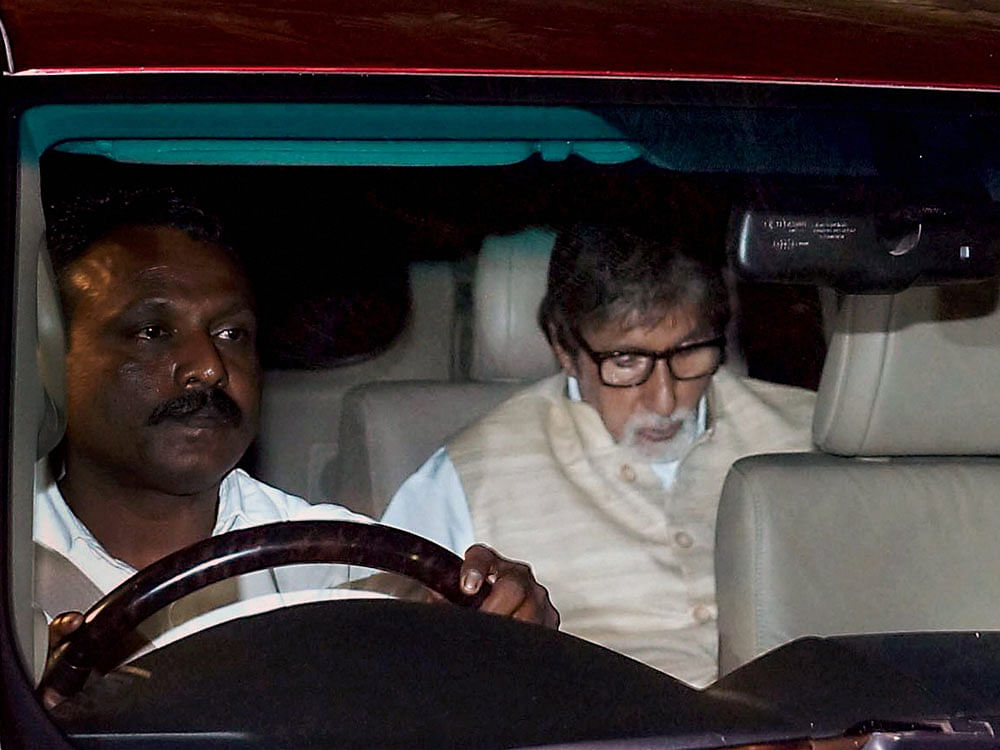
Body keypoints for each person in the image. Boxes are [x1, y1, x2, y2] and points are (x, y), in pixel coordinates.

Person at [35, 189, 557, 706]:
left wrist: (507, 623)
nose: (209, 367)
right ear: (49, 361)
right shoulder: (19, 564)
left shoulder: (352, 569)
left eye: (232, 333)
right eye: (152, 332)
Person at [382, 223, 816, 687]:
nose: (664, 400)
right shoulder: (471, 474)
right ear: (564, 348)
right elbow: (378, 642)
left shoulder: (816, 439)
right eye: (626, 362)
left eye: (690, 353)